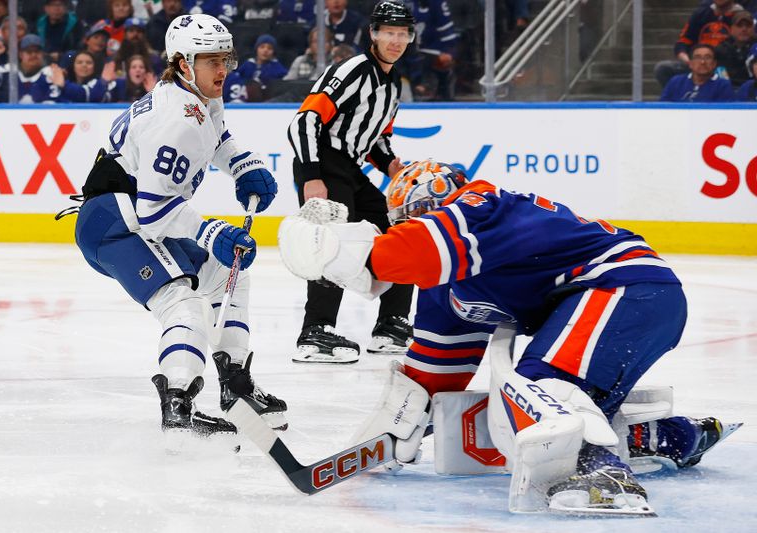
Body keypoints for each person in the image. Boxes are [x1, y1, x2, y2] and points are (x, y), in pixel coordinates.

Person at [277, 160, 736, 514]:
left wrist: (326, 248)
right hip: (618, 300)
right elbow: (433, 373)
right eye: (414, 214)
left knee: (539, 389)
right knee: (532, 408)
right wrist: (393, 429)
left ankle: (603, 476)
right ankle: (671, 437)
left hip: (628, 288)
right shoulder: (443, 286)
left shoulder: (484, 207)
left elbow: (397, 253)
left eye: (426, 209)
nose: (424, 217)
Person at [70, 13, 286, 435]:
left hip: (132, 212)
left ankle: (235, 385)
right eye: (211, 60)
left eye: (225, 58)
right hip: (116, 220)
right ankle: (179, 410)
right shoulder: (174, 120)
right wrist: (213, 231)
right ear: (184, 63)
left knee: (228, 270)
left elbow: (218, 134)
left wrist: (242, 165)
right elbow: (153, 213)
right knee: (181, 302)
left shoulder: (199, 94)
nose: (222, 69)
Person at [286, 0, 416, 364]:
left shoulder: (392, 84)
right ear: (373, 34)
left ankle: (391, 324)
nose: (395, 40)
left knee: (397, 232)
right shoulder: (355, 69)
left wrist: (391, 165)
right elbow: (305, 120)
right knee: (333, 242)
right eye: (388, 32)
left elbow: (375, 139)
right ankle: (315, 332)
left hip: (350, 169)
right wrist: (312, 176)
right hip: (324, 163)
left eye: (402, 33)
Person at [654, 0, 744, 88]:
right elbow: (683, 42)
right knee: (663, 68)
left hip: (727, 67)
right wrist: (689, 61)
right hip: (697, 63)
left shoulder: (742, 17)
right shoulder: (701, 14)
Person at [0, 33, 48, 102]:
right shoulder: (7, 70)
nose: (33, 55)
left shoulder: (51, 74)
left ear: (42, 54)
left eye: (37, 51)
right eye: (29, 52)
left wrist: (59, 84)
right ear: (21, 55)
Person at [661, 43, 736, 102]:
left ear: (714, 64)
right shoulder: (676, 82)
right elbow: (662, 108)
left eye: (707, 57)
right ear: (690, 63)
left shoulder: (723, 85)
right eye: (697, 57)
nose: (702, 62)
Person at [31, 50, 108, 103]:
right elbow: (37, 97)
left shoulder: (99, 83)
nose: (84, 65)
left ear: (94, 67)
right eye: (79, 62)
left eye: (89, 63)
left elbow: (86, 95)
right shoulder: (63, 81)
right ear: (73, 67)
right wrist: (44, 78)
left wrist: (63, 84)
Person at [236, 33, 288, 101]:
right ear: (257, 49)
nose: (265, 50)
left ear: (273, 52)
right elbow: (237, 78)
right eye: (262, 47)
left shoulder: (277, 68)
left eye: (269, 48)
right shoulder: (248, 64)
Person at [715, 10, 756, 89]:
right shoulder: (720, 49)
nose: (744, 29)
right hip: (727, 90)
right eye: (739, 25)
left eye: (748, 25)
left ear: (753, 29)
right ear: (732, 29)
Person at [36, 0, 86, 64]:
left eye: (60, 5)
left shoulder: (75, 24)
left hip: (69, 59)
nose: (57, 8)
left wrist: (61, 56)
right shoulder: (40, 24)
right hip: (43, 60)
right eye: (53, 5)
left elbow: (79, 50)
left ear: (65, 8)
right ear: (46, 8)